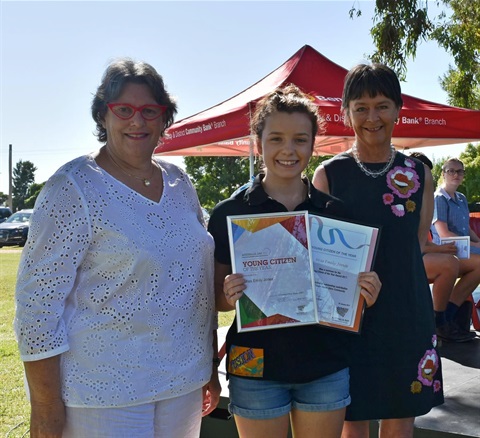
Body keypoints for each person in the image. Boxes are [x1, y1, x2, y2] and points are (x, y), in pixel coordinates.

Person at [14, 58, 220, 438]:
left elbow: (200, 284)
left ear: (164, 119)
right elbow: (36, 308)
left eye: (149, 111)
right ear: (102, 116)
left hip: (184, 386)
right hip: (102, 396)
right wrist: (45, 409)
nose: (137, 121)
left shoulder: (181, 184)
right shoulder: (72, 188)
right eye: (123, 109)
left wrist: (207, 366)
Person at [208, 84, 382, 438]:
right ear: (258, 143)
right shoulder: (230, 213)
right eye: (276, 139)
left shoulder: (336, 214)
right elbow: (214, 303)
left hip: (324, 366)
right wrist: (229, 294)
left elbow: (349, 301)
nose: (288, 150)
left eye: (300, 139)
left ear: (313, 144)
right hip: (254, 367)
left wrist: (366, 294)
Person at [313, 64, 443, 437]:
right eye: (361, 107)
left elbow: (418, 241)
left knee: (402, 419)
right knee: (353, 422)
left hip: (408, 312)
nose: (373, 117)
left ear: (399, 109)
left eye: (383, 105)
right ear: (345, 113)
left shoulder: (419, 174)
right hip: (351, 320)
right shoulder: (329, 175)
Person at [410, 152, 475, 342]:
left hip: (421, 253)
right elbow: (416, 243)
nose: (423, 179)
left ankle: (445, 318)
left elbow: (421, 241)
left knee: (455, 262)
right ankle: (440, 321)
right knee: (450, 263)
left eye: (425, 174)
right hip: (402, 260)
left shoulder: (425, 200)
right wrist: (439, 249)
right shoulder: (424, 200)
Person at [430, 157, 480, 338]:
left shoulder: (461, 198)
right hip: (446, 250)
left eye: (460, 171)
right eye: (451, 170)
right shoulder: (438, 198)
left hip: (464, 248)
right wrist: (475, 245)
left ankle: (447, 317)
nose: (456, 174)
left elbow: (466, 228)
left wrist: (478, 242)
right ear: (443, 174)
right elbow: (443, 234)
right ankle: (445, 318)